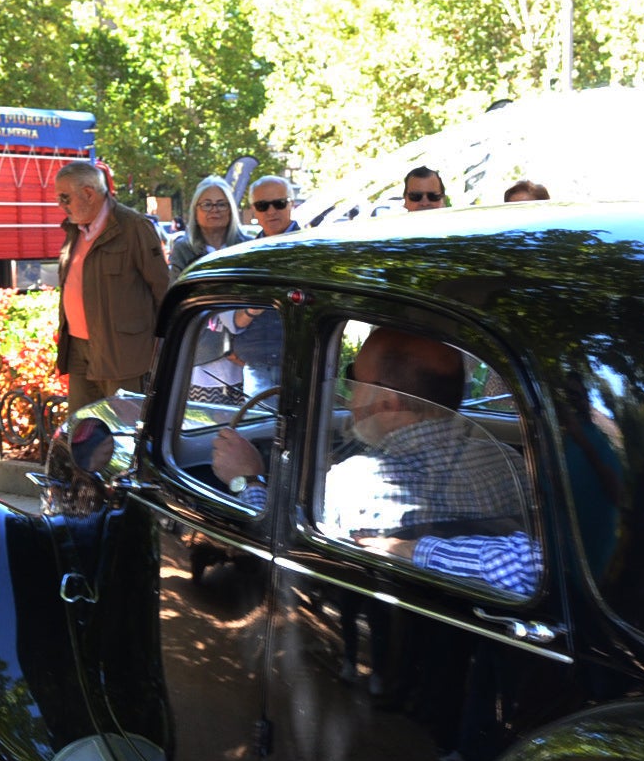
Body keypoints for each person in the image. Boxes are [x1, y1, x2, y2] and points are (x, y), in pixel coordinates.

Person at [209, 327, 537, 594]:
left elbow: (273, 542)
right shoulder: (510, 464)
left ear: (389, 401)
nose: (349, 395)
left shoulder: (353, 486)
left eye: (353, 378)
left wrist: (247, 480)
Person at [54, 161, 172, 408]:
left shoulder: (133, 227)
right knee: (84, 433)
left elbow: (162, 289)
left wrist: (164, 347)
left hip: (123, 355)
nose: (60, 205)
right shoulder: (74, 230)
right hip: (79, 350)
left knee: (123, 433)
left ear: (88, 193)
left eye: (65, 198)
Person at [166, 176, 248, 270]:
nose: (214, 210)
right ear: (195, 211)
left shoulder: (247, 246)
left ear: (231, 210)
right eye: (207, 205)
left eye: (221, 204)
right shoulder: (183, 249)